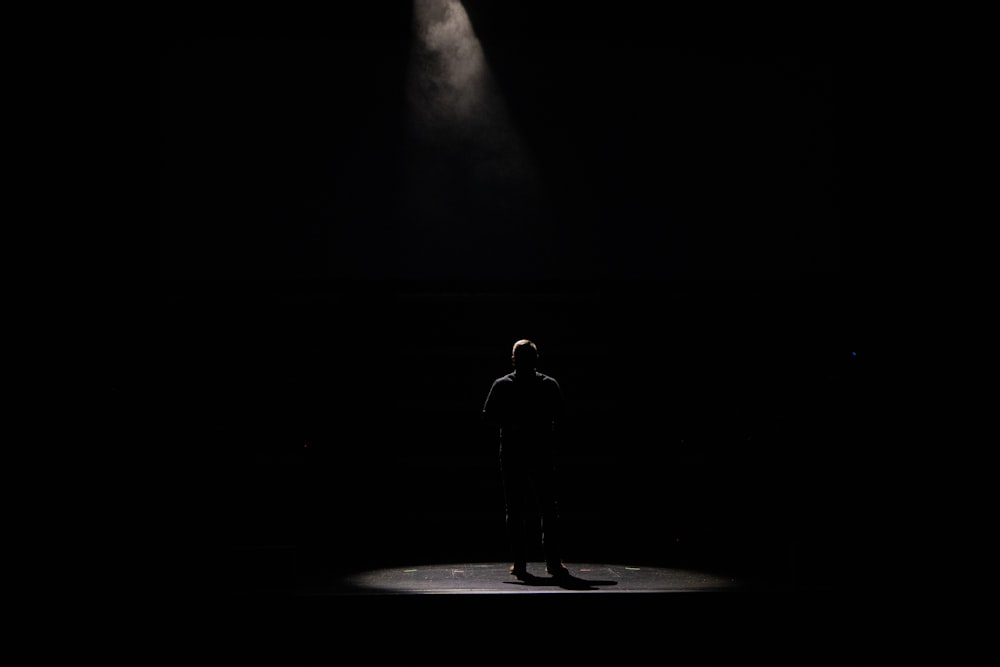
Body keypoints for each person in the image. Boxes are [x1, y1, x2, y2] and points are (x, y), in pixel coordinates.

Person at [482, 339, 570, 580]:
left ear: (513, 359)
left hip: (515, 453)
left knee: (518, 509)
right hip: (538, 453)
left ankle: (521, 563)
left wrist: (512, 423)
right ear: (536, 358)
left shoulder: (503, 384)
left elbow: (488, 416)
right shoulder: (548, 384)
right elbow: (561, 417)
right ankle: (551, 562)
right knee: (546, 509)